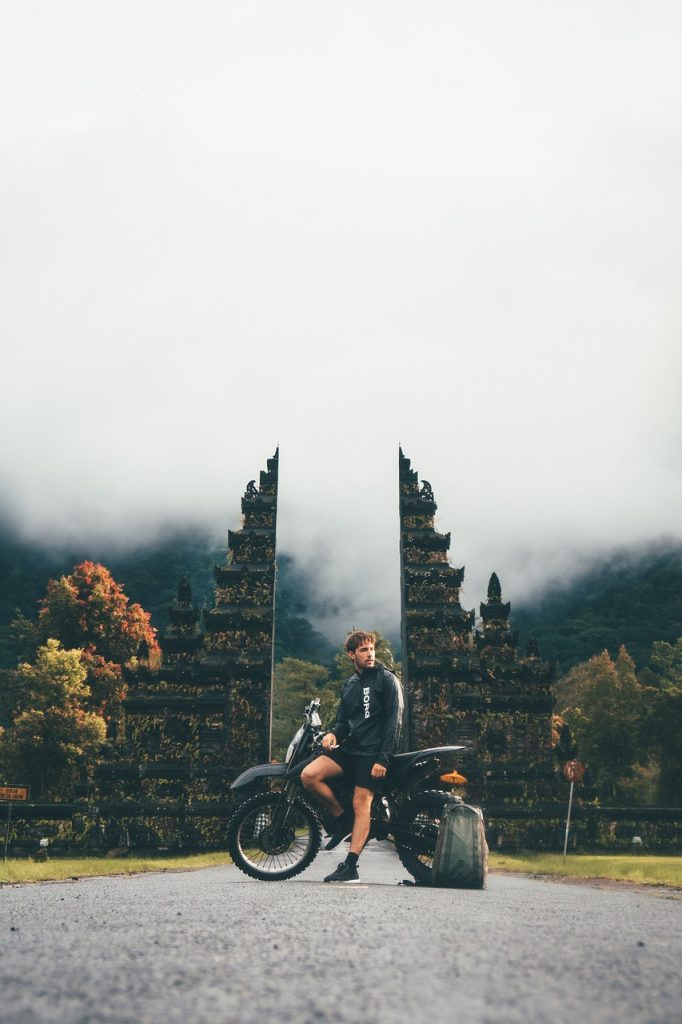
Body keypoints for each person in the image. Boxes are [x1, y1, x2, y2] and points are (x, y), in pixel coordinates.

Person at [301, 630, 403, 883]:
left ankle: (350, 866)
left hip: (372, 753)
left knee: (361, 803)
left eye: (372, 649)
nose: (370, 654)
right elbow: (342, 722)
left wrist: (383, 758)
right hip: (350, 749)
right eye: (363, 650)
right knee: (309, 775)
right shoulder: (350, 685)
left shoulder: (386, 679)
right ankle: (343, 820)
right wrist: (332, 734)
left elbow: (394, 721)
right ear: (351, 655)